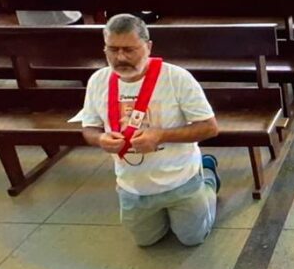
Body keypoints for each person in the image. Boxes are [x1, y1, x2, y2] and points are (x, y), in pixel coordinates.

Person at [76, 14, 221, 247]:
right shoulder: (98, 80)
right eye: (112, 50)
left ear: (148, 46)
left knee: (193, 238)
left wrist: (161, 135)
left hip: (180, 180)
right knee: (146, 241)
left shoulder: (177, 78)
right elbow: (89, 127)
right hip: (133, 186)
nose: (120, 57)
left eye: (129, 50)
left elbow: (210, 127)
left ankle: (208, 178)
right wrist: (100, 139)